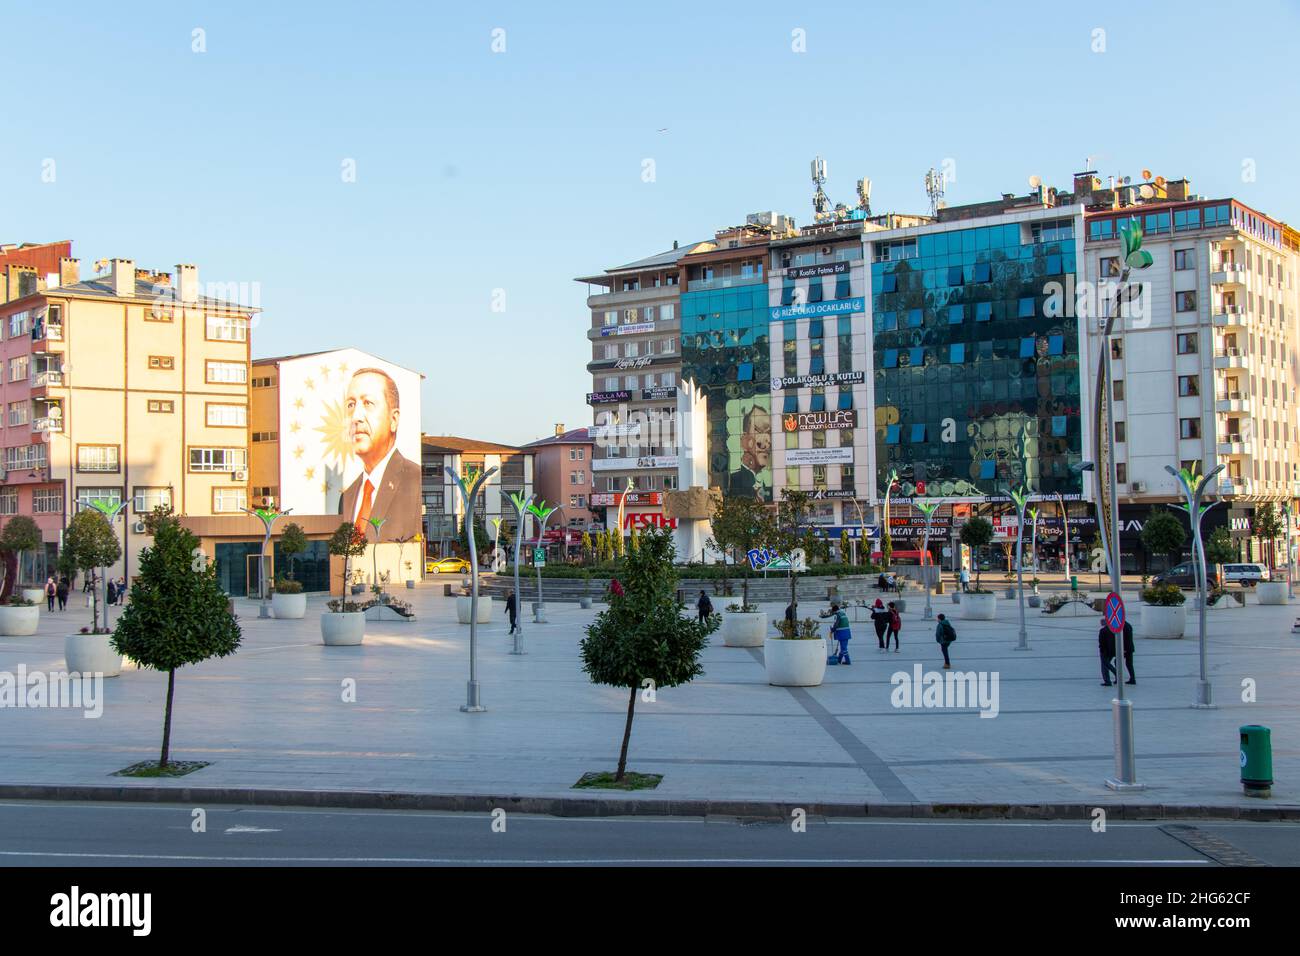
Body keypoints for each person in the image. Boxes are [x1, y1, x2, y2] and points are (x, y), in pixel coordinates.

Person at [338, 367, 422, 541]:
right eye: (351, 405)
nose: (356, 416)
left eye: (368, 403)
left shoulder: (414, 480)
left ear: (394, 419)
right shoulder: (347, 496)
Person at [1098, 620, 1117, 686]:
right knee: (1107, 664)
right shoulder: (1113, 630)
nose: (1101, 623)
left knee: (1105, 665)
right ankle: (1116, 675)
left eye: (1102, 622)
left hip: (1104, 651)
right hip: (1111, 651)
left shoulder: (1103, 631)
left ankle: (1108, 680)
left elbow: (1101, 642)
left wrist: (1101, 650)